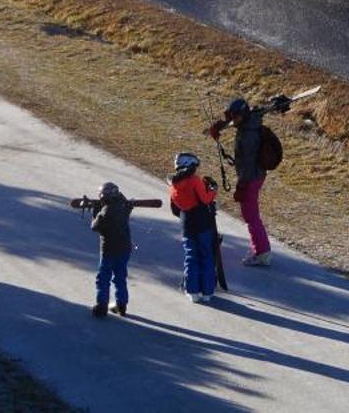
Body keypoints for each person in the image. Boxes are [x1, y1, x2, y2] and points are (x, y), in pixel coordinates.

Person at [207, 94, 289, 266]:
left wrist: (242, 186)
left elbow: (247, 163)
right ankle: (260, 248)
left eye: (234, 117)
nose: (232, 120)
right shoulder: (252, 121)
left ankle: (261, 253)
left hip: (251, 178)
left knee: (251, 216)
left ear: (242, 116)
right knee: (251, 215)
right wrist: (221, 125)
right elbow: (252, 113)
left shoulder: (247, 137)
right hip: (256, 176)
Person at [84, 182, 161, 318]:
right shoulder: (124, 207)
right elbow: (125, 205)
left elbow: (95, 227)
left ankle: (101, 306)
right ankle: (121, 305)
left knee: (103, 278)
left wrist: (96, 211)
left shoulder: (105, 211)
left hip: (108, 250)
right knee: (120, 277)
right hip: (124, 249)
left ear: (104, 197)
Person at [167, 153, 219, 302]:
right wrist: (213, 189)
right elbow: (205, 199)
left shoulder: (172, 184)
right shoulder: (195, 181)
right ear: (191, 166)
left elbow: (175, 210)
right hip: (203, 223)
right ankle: (207, 292)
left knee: (191, 257)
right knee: (206, 255)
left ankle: (192, 291)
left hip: (187, 224)